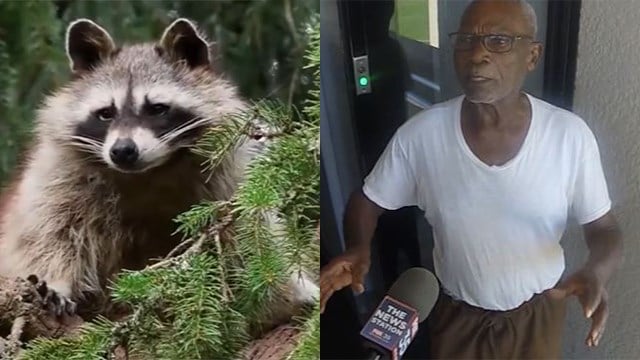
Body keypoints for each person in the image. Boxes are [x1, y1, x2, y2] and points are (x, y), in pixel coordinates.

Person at [319, 0, 623, 358]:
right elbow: (368, 201)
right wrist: (358, 246)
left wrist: (597, 271)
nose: (478, 53)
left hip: (537, 316)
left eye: (499, 41)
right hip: (457, 318)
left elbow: (604, 229)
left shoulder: (569, 136)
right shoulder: (422, 135)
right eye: (466, 40)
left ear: (533, 56)